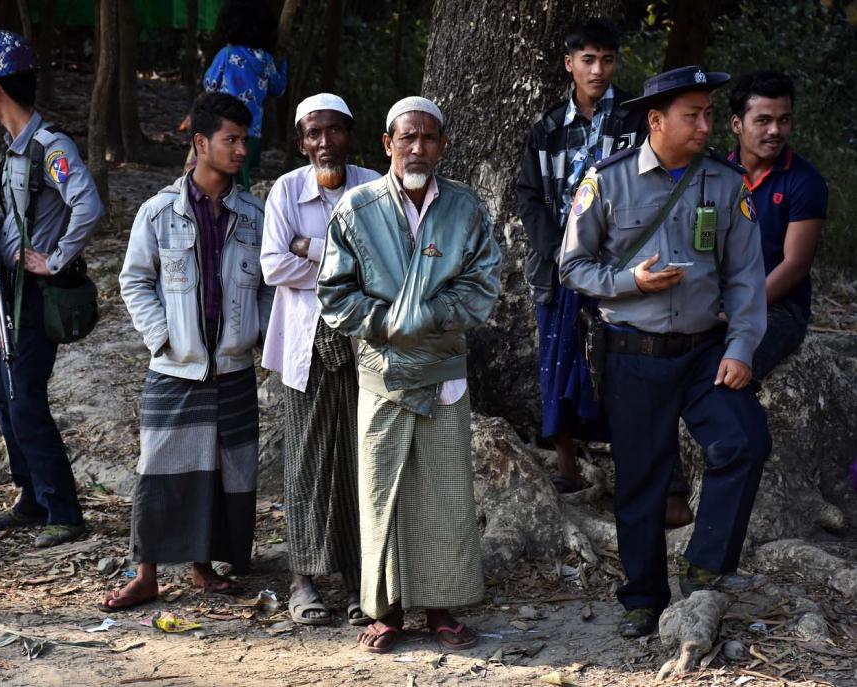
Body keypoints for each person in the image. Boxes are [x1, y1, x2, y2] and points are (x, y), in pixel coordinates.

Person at [559, 66, 772, 638]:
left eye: (708, 114)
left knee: (744, 441)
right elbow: (572, 266)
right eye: (693, 115)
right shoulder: (607, 182)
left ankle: (705, 561)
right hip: (634, 352)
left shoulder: (726, 185)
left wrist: (742, 347)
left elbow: (747, 278)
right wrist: (631, 281)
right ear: (656, 121)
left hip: (706, 351)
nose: (706, 125)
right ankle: (642, 599)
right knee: (641, 478)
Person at [317, 97, 501, 652]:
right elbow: (334, 292)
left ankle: (441, 610)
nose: (417, 148)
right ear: (387, 144)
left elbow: (482, 285)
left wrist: (430, 314)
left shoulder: (466, 209)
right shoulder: (357, 208)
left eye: (428, 139)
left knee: (443, 495)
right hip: (383, 372)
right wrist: (386, 323)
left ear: (442, 146)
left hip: (444, 374)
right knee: (383, 494)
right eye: (407, 138)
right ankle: (387, 611)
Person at [103, 92, 274, 610]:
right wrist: (164, 338)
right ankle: (146, 573)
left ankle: (203, 569)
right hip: (175, 366)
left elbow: (270, 286)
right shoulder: (157, 213)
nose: (242, 149)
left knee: (224, 468)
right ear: (201, 143)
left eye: (245, 139)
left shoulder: (254, 215)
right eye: (231, 139)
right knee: (158, 466)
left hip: (232, 365)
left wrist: (252, 333)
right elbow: (134, 282)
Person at [0, 30, 103, 548]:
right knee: (7, 400)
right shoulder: (14, 151)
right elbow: (20, 214)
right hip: (4, 290)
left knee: (25, 400)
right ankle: (31, 498)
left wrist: (56, 259)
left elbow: (88, 206)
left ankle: (65, 511)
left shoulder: (51, 148)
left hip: (32, 295)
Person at [514, 18, 649, 493]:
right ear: (569, 64)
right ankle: (567, 467)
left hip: (617, 265)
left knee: (620, 364)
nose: (598, 70)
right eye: (587, 60)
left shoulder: (636, 123)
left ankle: (631, 470)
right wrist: (553, 248)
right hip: (557, 270)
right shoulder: (548, 128)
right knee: (558, 360)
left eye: (607, 60)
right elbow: (528, 193)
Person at [260, 93, 379, 627]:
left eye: (333, 131)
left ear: (349, 134)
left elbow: (385, 261)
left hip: (365, 344)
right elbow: (272, 265)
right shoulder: (287, 189)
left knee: (360, 458)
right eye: (313, 134)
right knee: (307, 460)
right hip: (305, 345)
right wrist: (339, 266)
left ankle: (359, 583)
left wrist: (311, 247)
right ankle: (303, 580)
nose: (323, 142)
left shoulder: (374, 185)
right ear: (302, 141)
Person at [726, 71, 828, 380]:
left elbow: (795, 264)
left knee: (734, 364)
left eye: (784, 120)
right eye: (763, 120)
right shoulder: (718, 175)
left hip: (778, 308)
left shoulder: (804, 181)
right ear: (736, 125)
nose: (775, 130)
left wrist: (739, 307)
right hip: (718, 296)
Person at [196, 0, 287, 190]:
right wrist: (284, 66)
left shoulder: (227, 54)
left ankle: (239, 215)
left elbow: (210, 84)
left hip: (225, 130)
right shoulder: (266, 59)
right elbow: (278, 89)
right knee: (240, 173)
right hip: (252, 131)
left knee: (228, 177)